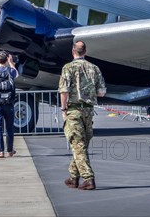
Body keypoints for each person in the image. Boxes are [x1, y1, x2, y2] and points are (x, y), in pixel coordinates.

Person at [59, 41, 106, 191]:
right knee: (81, 145)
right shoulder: (94, 68)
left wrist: (63, 109)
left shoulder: (68, 67)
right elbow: (101, 92)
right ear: (85, 52)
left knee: (78, 145)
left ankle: (88, 178)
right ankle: (73, 177)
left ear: (73, 51)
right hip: (88, 111)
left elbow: (64, 90)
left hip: (74, 110)